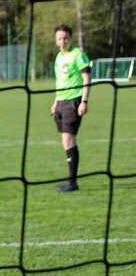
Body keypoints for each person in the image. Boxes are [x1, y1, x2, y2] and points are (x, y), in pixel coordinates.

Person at [51, 25, 91, 193]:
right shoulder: (59, 57)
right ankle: (70, 180)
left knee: (69, 139)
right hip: (61, 102)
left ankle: (72, 182)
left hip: (73, 101)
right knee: (65, 141)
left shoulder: (78, 54)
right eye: (59, 38)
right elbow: (60, 82)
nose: (62, 41)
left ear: (71, 39)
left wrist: (84, 101)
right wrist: (55, 102)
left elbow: (86, 77)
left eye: (65, 38)